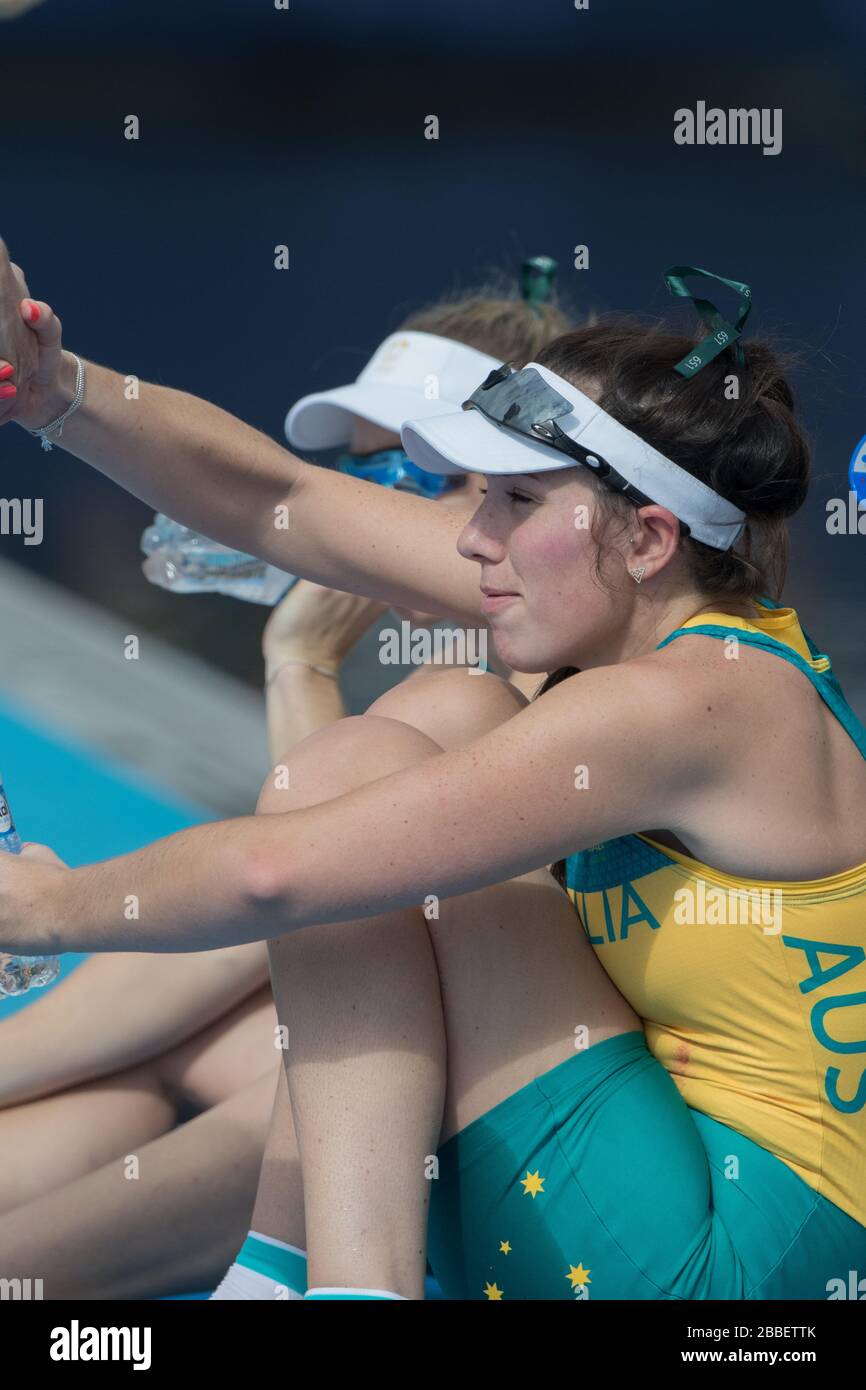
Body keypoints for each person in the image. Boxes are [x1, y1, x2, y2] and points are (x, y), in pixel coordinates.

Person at [0, 250, 864, 1300]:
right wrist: (55, 389)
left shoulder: (678, 703)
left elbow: (278, 872)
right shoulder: (687, 634)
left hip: (719, 1285)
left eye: (509, 500)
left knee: (354, 776)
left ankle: (330, 1286)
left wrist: (47, 905)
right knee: (438, 715)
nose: (467, 534)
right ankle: (296, 1277)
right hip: (691, 1212)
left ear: (645, 538)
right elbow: (284, 502)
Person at [0, 266, 570, 1297]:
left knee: (291, 1054)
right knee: (140, 1088)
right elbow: (279, 496)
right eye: (366, 479)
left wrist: (297, 663)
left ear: (506, 485)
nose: (368, 516)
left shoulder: (541, 682)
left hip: (565, 1124)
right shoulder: (490, 654)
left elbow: (315, 868)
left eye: (403, 477)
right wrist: (50, 387)